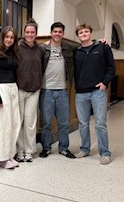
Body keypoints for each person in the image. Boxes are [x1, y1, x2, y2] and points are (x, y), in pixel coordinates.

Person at [74, 23, 115, 165]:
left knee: (100, 124)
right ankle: (85, 149)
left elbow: (111, 67)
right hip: (80, 93)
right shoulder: (76, 51)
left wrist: (105, 83)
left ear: (91, 33)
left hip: (98, 92)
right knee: (83, 123)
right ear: (78, 36)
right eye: (81, 32)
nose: (84, 34)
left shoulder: (103, 47)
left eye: (86, 31)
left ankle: (104, 153)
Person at [39, 22, 77, 159]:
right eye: (55, 31)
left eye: (60, 32)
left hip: (62, 91)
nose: (57, 34)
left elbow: (84, 45)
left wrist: (98, 41)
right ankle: (46, 148)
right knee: (46, 123)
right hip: (46, 90)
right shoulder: (43, 48)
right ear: (51, 33)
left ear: (63, 34)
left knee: (63, 123)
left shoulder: (68, 47)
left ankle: (64, 148)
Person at [0, 26, 21, 169]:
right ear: (2, 38)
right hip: (1, 89)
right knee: (4, 125)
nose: (9, 39)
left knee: (15, 123)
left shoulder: (13, 54)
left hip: (13, 88)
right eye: (7, 37)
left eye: (12, 37)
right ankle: (2, 158)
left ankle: (10, 155)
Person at [15, 19, 44, 162]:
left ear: (36, 33)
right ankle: (19, 151)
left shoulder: (40, 50)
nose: (29, 34)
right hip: (20, 89)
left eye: (32, 32)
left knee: (30, 122)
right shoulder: (17, 47)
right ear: (24, 33)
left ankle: (29, 151)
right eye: (27, 32)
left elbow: (42, 67)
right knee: (19, 121)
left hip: (34, 90)